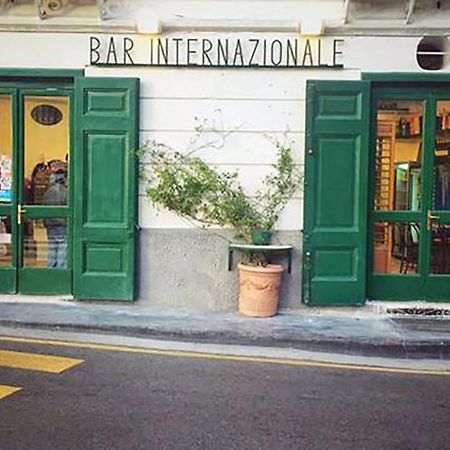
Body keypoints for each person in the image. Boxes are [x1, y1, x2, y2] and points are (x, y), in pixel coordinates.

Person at [42, 168, 67, 268]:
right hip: (63, 225)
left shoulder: (48, 192)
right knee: (62, 249)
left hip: (51, 225)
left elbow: (44, 207)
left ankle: (51, 269)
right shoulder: (67, 192)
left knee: (52, 248)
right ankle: (60, 271)